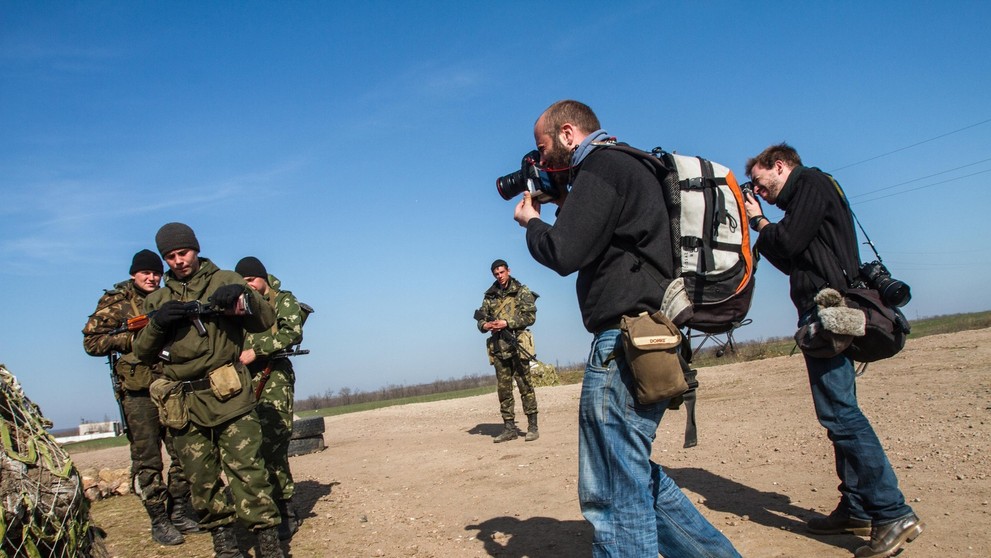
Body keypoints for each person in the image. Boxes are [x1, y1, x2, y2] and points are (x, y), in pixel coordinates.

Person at [512, 99, 740, 558]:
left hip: (624, 346)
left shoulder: (603, 165)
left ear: (569, 133)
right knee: (630, 472)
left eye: (543, 147)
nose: (540, 160)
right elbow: (602, 241)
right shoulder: (630, 166)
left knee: (612, 489)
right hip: (650, 338)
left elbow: (562, 252)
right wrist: (567, 202)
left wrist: (532, 221)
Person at [743, 144, 923, 558]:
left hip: (829, 312)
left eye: (760, 179)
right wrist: (769, 230)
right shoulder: (806, 199)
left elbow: (785, 243)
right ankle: (857, 505)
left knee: (840, 414)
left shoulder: (810, 183)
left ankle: (892, 512)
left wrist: (759, 222)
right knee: (839, 410)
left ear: (781, 166)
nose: (758, 188)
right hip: (821, 310)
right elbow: (794, 259)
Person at [132, 223, 284, 558]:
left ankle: (269, 544)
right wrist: (158, 323)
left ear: (195, 249)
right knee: (201, 480)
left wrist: (244, 300)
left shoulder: (225, 279)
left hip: (230, 396)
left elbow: (265, 320)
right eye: (169, 256)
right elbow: (140, 352)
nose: (178, 261)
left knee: (249, 472)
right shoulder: (157, 299)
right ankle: (225, 544)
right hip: (184, 404)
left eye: (182, 253)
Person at [82, 249, 201, 546]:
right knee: (147, 461)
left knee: (183, 452)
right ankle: (159, 520)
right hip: (138, 393)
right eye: (146, 273)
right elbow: (91, 342)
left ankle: (179, 512)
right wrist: (132, 338)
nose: (152, 277)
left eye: (156, 273)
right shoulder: (117, 303)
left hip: (170, 385)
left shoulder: (167, 297)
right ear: (134, 274)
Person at [235, 256, 305, 540]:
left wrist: (259, 349)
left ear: (262, 277)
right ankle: (263, 511)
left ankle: (286, 510)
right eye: (243, 282)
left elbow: (293, 332)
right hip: (245, 379)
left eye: (251, 279)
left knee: (275, 444)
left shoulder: (283, 299)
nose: (248, 285)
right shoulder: (241, 306)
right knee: (251, 446)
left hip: (274, 377)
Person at [476, 259, 540, 443]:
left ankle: (533, 427)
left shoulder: (521, 290)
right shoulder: (490, 295)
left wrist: (507, 323)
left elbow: (530, 316)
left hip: (517, 345)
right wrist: (486, 324)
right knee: (504, 391)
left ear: (508, 271)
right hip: (498, 348)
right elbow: (479, 319)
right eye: (496, 274)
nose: (500, 276)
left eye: (502, 272)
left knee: (525, 386)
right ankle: (509, 428)